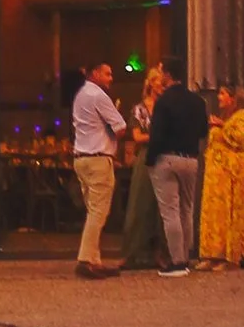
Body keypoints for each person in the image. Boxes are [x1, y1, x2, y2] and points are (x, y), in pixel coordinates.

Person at [146, 59, 209, 277]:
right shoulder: (198, 102)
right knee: (187, 209)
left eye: (162, 72)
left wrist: (150, 160)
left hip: (167, 158)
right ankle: (186, 256)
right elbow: (203, 132)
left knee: (170, 211)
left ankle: (176, 261)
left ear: (169, 75)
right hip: (191, 159)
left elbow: (157, 135)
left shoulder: (163, 101)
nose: (161, 75)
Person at [71, 57, 125, 278]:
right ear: (94, 74)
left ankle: (95, 260)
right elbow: (120, 127)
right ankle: (85, 259)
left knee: (93, 210)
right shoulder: (99, 96)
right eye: (107, 73)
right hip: (98, 158)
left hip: (81, 157)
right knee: (99, 212)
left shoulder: (81, 95)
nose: (110, 78)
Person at [197, 81, 244, 271]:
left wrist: (222, 125)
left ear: (233, 98)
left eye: (223, 94)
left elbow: (242, 139)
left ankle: (232, 257)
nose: (219, 98)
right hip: (216, 177)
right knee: (214, 215)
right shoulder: (223, 116)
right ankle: (212, 254)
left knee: (231, 214)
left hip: (234, 174)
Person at [119, 68, 164, 271]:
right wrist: (157, 136)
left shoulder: (165, 107)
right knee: (140, 201)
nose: (161, 86)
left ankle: (160, 252)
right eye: (159, 82)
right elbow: (136, 136)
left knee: (161, 205)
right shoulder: (139, 109)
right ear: (151, 84)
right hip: (146, 156)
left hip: (163, 155)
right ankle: (132, 252)